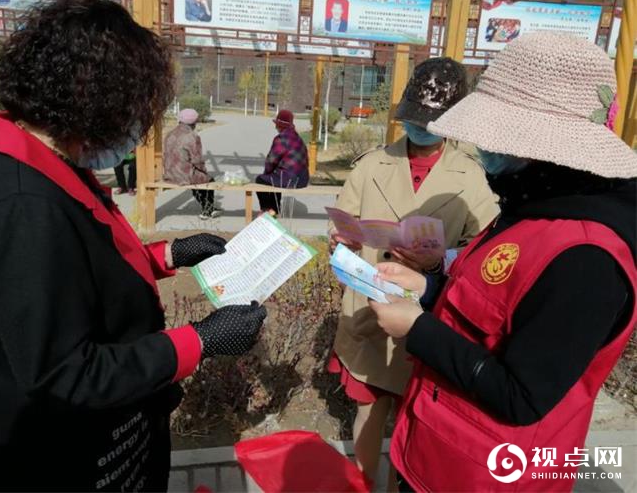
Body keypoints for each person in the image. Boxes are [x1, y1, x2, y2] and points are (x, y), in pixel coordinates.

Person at [0, 0, 266, 490]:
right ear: (99, 100)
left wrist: (167, 256)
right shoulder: (24, 206)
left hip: (112, 433)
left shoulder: (50, 167)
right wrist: (199, 341)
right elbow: (64, 371)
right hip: (64, 459)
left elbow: (75, 273)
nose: (140, 128)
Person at [369, 33, 637, 492]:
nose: (483, 148)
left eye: (496, 135)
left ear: (544, 146)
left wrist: (417, 328)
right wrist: (428, 289)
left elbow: (522, 395)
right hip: (441, 452)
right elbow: (493, 315)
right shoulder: (533, 204)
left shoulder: (586, 259)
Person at [328, 57, 499, 484]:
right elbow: (342, 222)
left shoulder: (474, 179)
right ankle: (364, 482)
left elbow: (486, 252)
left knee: (419, 418)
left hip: (427, 315)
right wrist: (341, 241)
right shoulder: (371, 165)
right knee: (368, 411)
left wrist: (441, 261)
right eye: (414, 120)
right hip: (368, 307)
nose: (420, 129)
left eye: (431, 122)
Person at [164, 108, 219, 220]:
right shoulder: (192, 136)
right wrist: (205, 172)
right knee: (208, 180)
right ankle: (207, 210)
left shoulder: (169, 134)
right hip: (184, 176)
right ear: (194, 122)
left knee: (198, 178)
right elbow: (197, 160)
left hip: (169, 174)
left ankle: (209, 208)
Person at [255, 109, 309, 217]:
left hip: (290, 180)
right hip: (303, 179)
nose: (275, 127)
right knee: (275, 178)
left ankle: (267, 209)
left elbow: (271, 161)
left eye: (276, 124)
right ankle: (275, 208)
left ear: (279, 125)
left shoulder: (281, 139)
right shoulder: (298, 138)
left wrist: (266, 174)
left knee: (261, 180)